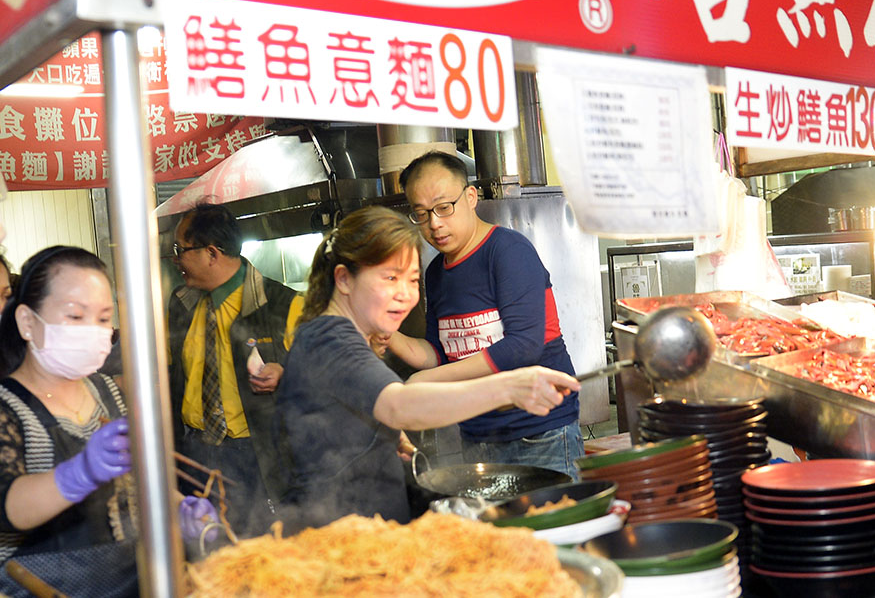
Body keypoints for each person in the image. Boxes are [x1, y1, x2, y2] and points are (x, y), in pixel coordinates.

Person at [275, 207, 579, 529]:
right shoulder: (330, 338)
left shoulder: (334, 334)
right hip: (338, 539)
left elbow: (363, 414)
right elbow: (398, 406)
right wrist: (509, 387)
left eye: (412, 280)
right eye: (390, 277)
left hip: (362, 531)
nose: (405, 295)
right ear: (344, 279)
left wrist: (381, 436)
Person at [0, 246, 215, 598]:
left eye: (102, 319)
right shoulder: (7, 404)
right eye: (75, 316)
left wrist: (177, 507)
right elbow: (9, 504)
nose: (93, 331)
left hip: (130, 582)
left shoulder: (107, 392)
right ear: (27, 322)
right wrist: (80, 472)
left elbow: (135, 481)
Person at [383, 151, 584, 477]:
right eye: (421, 214)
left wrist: (424, 382)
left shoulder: (507, 251)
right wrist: (383, 332)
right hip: (479, 437)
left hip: (539, 433)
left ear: (471, 197)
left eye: (444, 207)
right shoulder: (435, 273)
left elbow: (523, 346)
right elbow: (439, 353)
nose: (435, 223)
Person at [167, 202, 303, 537]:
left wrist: (287, 376)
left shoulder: (282, 303)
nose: (176, 259)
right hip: (195, 454)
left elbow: (319, 384)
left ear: (211, 253)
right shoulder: (182, 303)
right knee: (203, 552)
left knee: (258, 553)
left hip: (255, 459)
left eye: (180, 250)